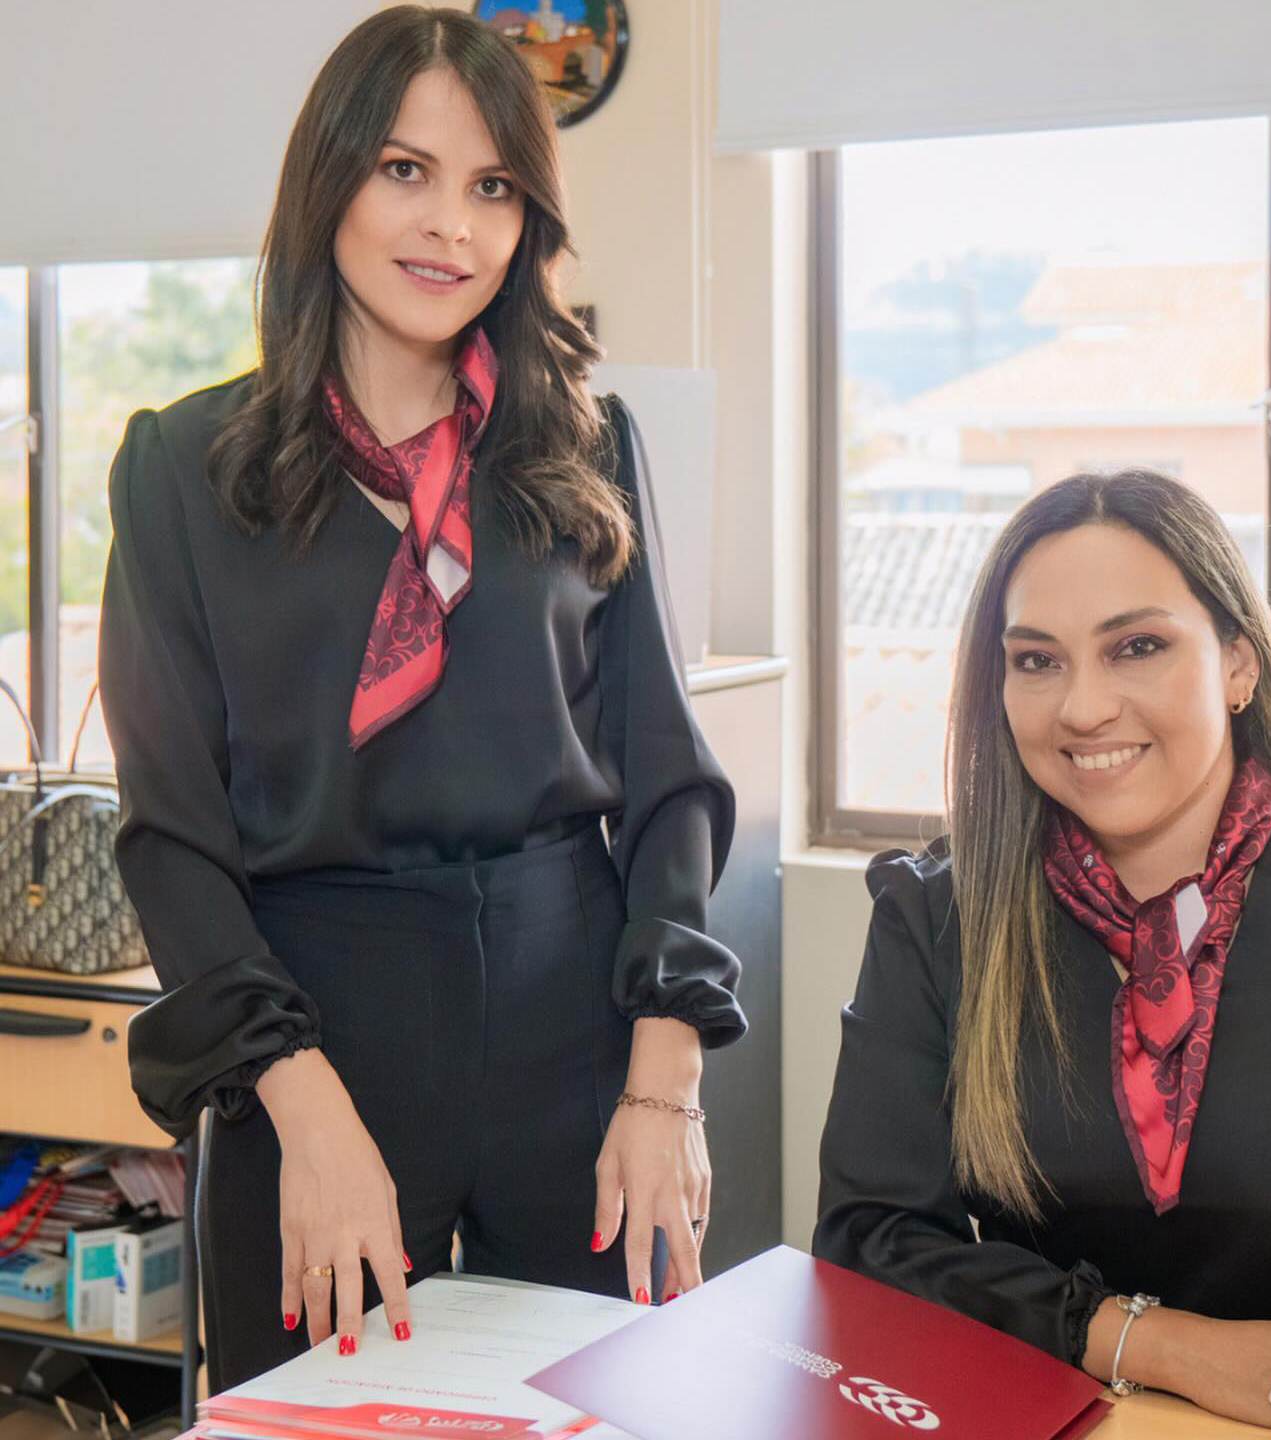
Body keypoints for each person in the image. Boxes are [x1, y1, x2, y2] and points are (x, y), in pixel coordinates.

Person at [99, 5, 744, 1393]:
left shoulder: (590, 446)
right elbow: (173, 837)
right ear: (326, 180)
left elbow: (671, 780)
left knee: (604, 1414)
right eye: (405, 170)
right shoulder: (181, 469)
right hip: (313, 1038)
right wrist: (304, 1113)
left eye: (493, 186)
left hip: (574, 1030)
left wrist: (662, 1080)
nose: (451, 223)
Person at [813, 470, 1271, 1440]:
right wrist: (1170, 1346)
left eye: (1136, 647)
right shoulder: (937, 919)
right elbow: (871, 1240)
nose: (1082, 708)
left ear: (1239, 665)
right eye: (1037, 661)